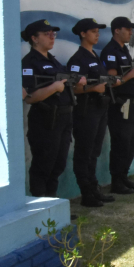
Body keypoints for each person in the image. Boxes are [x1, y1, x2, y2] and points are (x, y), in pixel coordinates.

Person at [20, 19, 84, 197]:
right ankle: (42, 210)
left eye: (53, 33)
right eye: (46, 34)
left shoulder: (53, 60)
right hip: (45, 120)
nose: (51, 37)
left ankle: (53, 207)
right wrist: (54, 88)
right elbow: (29, 97)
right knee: (43, 165)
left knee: (58, 165)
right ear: (34, 38)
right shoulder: (29, 62)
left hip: (63, 118)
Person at [67, 18, 114, 207]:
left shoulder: (95, 56)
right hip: (86, 110)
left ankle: (94, 189)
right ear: (83, 34)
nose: (97, 34)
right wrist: (93, 89)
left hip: (99, 109)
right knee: (84, 152)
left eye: (98, 31)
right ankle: (86, 193)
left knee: (94, 152)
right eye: (93, 31)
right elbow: (73, 88)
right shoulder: (77, 60)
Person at [101, 16, 134, 195]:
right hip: (119, 105)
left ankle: (123, 177)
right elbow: (111, 81)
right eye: (127, 29)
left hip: (131, 103)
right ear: (116, 31)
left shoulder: (123, 50)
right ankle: (116, 181)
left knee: (129, 143)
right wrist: (130, 75)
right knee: (121, 143)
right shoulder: (110, 51)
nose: (130, 32)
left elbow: (128, 73)